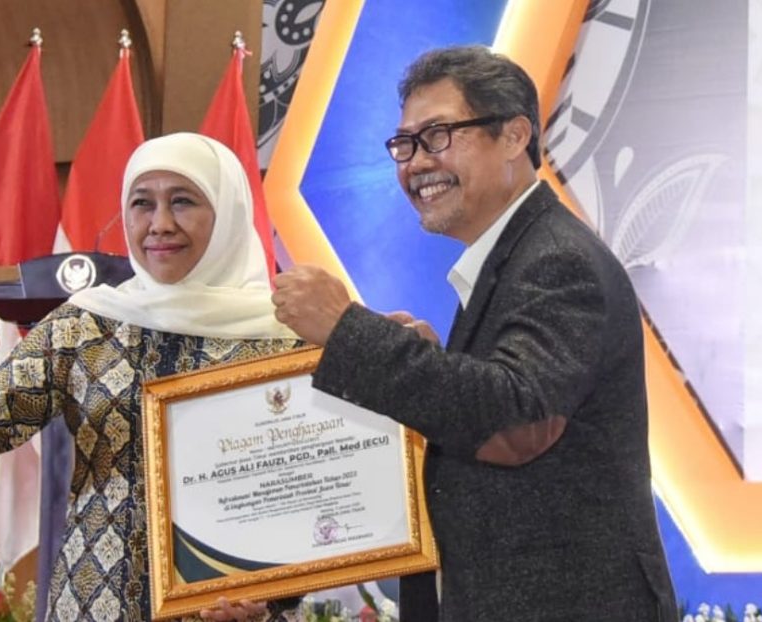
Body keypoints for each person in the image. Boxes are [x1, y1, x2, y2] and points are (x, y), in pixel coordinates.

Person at [271, 46, 678, 621]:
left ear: (514, 136)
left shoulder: (557, 259)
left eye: (437, 135)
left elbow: (514, 418)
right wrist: (423, 358)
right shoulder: (517, 255)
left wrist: (346, 329)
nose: (415, 163)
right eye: (405, 144)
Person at [0, 133, 303, 622]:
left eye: (182, 201)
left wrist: (272, 597)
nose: (159, 224)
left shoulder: (282, 337)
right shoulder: (86, 325)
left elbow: (311, 489)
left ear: (228, 211)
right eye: (142, 203)